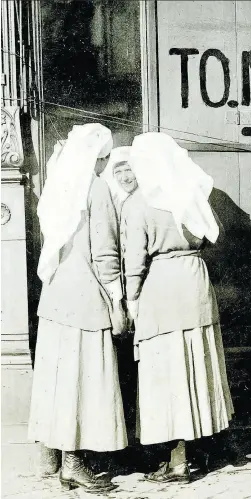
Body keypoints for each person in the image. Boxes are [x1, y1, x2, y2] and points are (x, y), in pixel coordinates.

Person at [122, 132, 234, 483]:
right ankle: (193, 454)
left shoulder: (139, 204)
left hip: (161, 288)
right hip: (195, 283)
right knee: (195, 368)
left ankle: (176, 462)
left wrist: (130, 300)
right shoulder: (191, 194)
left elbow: (135, 261)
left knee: (167, 373)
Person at [28, 123, 127, 493]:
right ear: (97, 158)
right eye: (104, 159)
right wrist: (118, 302)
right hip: (86, 300)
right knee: (82, 384)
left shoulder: (60, 186)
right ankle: (73, 463)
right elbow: (105, 253)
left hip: (56, 298)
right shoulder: (96, 188)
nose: (104, 165)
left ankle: (55, 459)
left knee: (59, 382)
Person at [101, 146, 135, 216]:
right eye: (118, 172)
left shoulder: (150, 202)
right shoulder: (115, 203)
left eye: (128, 170)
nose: (124, 178)